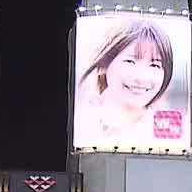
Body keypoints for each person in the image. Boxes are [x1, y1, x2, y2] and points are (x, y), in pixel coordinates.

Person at [74, 18, 183, 148]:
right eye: (130, 61)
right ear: (104, 64)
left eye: (154, 65)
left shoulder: (170, 130)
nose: (142, 77)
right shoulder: (81, 124)